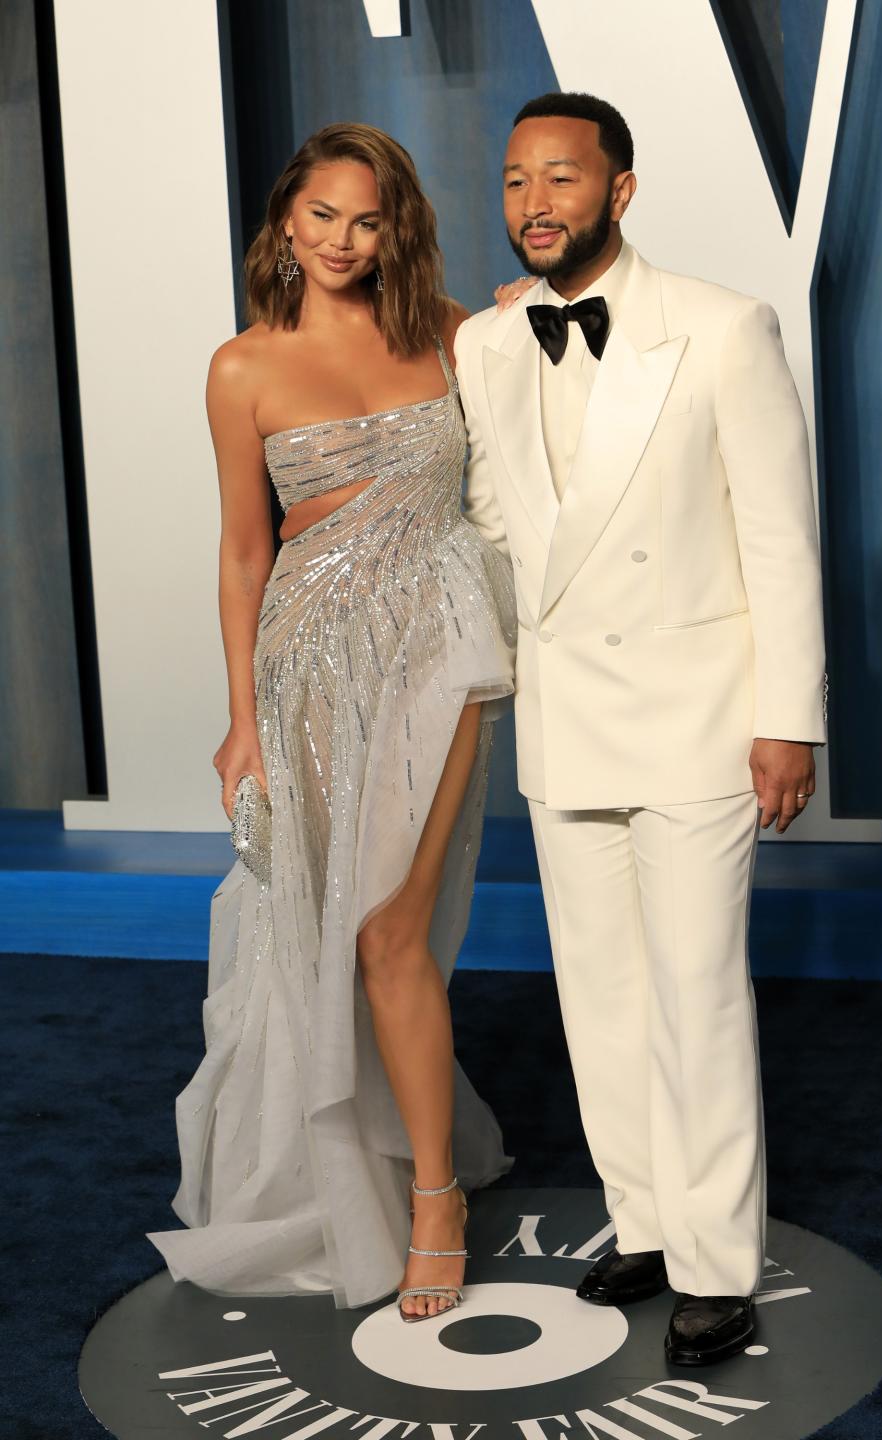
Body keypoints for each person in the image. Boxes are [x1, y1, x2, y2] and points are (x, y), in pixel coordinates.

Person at [456, 91, 827, 1365]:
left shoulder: (724, 327)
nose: (533, 205)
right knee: (600, 997)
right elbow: (505, 528)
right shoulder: (484, 346)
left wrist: (790, 719)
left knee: (697, 996)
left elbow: (780, 536)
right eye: (513, 182)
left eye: (561, 179)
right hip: (566, 716)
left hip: (700, 718)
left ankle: (720, 1263)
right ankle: (650, 1225)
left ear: (620, 189)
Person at [147, 124, 516, 1322]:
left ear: (392, 225)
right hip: (307, 658)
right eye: (322, 217)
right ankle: (367, 1160)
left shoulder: (455, 333)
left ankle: (435, 1203)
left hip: (442, 643)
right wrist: (242, 721)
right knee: (329, 930)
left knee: (391, 928)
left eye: (366, 220)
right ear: (285, 223)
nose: (344, 241)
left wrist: (522, 315)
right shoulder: (241, 367)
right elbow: (246, 551)